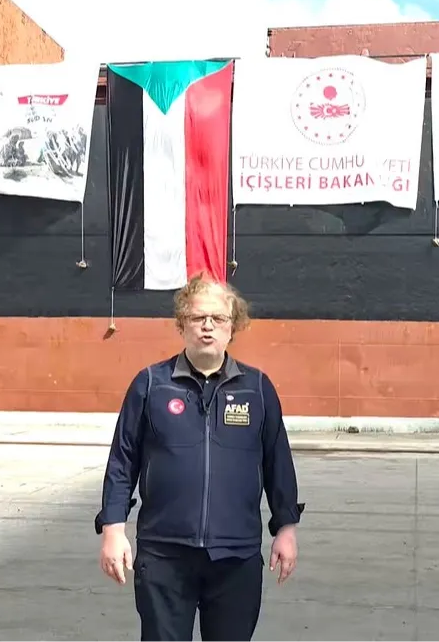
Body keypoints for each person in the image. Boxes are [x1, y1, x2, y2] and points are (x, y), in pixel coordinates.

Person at [94, 273, 305, 642]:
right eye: (197, 317)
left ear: (233, 326)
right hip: (164, 554)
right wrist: (113, 528)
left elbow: (278, 464)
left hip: (236, 556)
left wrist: (286, 529)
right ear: (182, 324)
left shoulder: (257, 388)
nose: (208, 326)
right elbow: (122, 462)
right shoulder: (150, 384)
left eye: (218, 318)